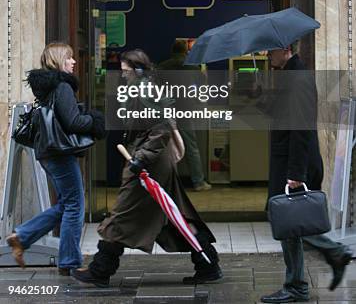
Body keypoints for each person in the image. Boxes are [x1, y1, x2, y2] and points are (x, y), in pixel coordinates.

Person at [72, 49, 223, 288]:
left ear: (138, 70)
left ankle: (101, 269)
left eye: (125, 72)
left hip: (148, 164)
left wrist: (140, 158)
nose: (123, 76)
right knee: (175, 216)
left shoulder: (145, 89)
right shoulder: (144, 87)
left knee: (122, 211)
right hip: (156, 162)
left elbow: (161, 126)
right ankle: (208, 264)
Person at [261, 45, 352, 304]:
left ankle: (299, 283)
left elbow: (300, 129)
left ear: (285, 49)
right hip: (290, 161)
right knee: (289, 220)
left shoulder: (298, 78)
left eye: (271, 52)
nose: (268, 55)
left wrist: (295, 173)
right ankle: (328, 259)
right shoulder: (290, 76)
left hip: (294, 162)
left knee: (286, 220)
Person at [6, 42, 105, 275]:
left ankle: (22, 237)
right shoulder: (62, 87)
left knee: (65, 204)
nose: (73, 62)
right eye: (69, 58)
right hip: (59, 153)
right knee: (75, 206)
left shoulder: (48, 88)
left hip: (48, 153)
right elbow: (72, 122)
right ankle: (69, 261)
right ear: (59, 60)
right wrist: (94, 119)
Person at [158, 39, 211, 191]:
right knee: (191, 147)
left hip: (166, 111)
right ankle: (198, 182)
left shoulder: (162, 67)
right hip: (186, 110)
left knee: (165, 147)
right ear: (186, 51)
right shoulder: (193, 68)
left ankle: (164, 183)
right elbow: (202, 86)